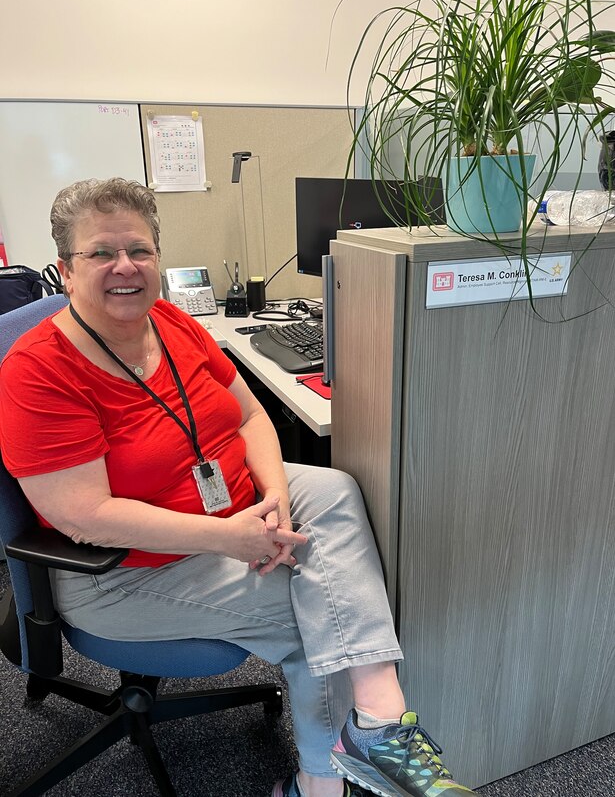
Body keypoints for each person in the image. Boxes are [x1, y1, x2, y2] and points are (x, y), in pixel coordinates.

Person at [0, 178, 477, 797]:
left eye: (140, 251)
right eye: (101, 253)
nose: (125, 267)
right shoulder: (38, 372)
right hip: (125, 571)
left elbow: (251, 417)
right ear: (65, 270)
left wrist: (273, 502)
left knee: (331, 488)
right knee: (323, 616)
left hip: (231, 512)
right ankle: (321, 782)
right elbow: (83, 515)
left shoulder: (170, 320)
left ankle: (378, 720)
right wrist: (229, 537)